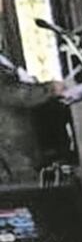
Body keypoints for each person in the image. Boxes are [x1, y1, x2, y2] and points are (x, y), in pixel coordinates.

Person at [0, 33, 64, 183]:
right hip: (10, 141)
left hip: (23, 133)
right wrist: (50, 89)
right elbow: (11, 93)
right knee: (25, 188)